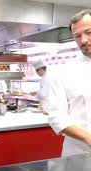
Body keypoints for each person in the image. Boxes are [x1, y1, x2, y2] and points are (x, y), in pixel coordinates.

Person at [48, 9, 91, 157]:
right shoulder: (63, 72)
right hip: (79, 153)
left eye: (89, 32)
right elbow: (56, 117)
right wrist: (88, 138)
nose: (83, 40)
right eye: (77, 36)